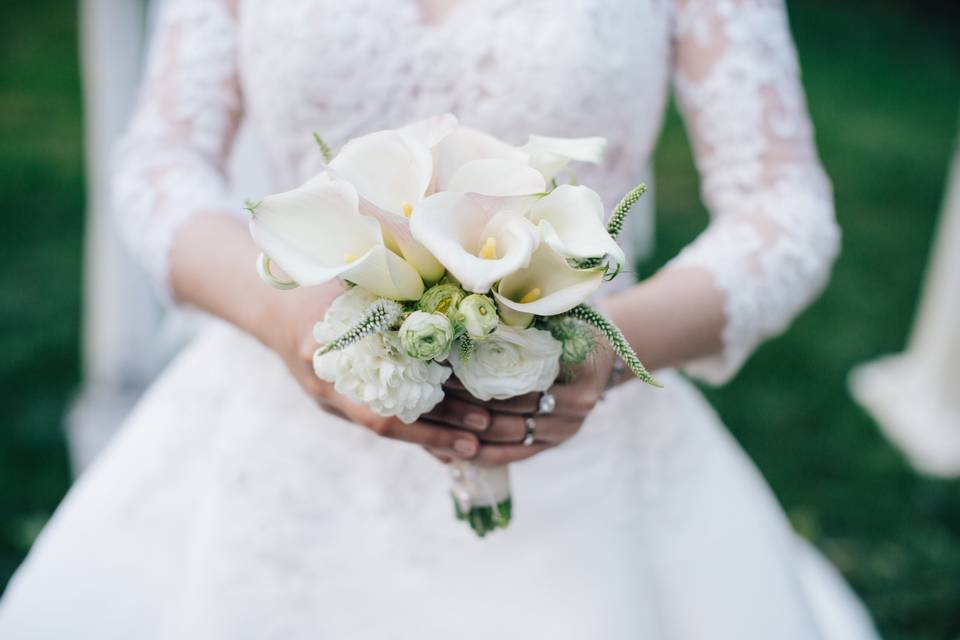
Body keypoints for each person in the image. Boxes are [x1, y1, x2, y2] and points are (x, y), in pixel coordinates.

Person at [0, 0, 879, 637]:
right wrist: (290, 326)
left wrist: (606, 350)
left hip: (580, 429)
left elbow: (784, 207)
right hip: (271, 418)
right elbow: (160, 164)